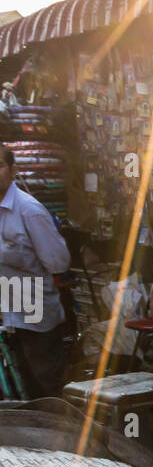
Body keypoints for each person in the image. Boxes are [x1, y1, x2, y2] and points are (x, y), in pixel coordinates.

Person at [0, 146, 71, 396]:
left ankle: (57, 432)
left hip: (32, 308)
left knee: (44, 385)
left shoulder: (29, 210)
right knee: (19, 385)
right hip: (7, 308)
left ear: (13, 170)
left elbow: (58, 262)